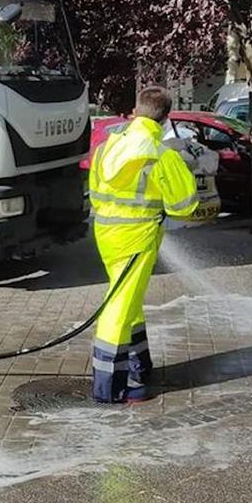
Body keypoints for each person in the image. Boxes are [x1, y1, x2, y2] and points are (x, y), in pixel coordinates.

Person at [88, 86, 199, 403]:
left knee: (129, 301)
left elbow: (96, 190)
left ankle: (139, 368)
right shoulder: (162, 155)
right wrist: (184, 166)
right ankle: (108, 388)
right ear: (166, 118)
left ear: (135, 111)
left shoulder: (109, 145)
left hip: (105, 233)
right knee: (118, 308)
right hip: (137, 238)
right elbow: (184, 207)